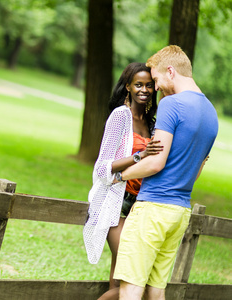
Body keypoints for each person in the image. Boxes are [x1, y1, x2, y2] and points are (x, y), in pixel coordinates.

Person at [112, 45, 219, 300]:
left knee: (130, 289)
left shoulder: (172, 104)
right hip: (179, 212)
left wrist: (118, 176)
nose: (155, 88)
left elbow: (155, 163)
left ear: (170, 71)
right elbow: (196, 172)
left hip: (153, 209)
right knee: (157, 291)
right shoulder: (212, 114)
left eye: (157, 79)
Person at [83, 62, 162, 300]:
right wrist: (140, 155)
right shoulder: (120, 116)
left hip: (140, 207)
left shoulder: (151, 122)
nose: (144, 90)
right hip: (115, 203)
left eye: (149, 85)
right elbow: (101, 167)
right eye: (138, 84)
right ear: (127, 86)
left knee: (120, 280)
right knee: (133, 278)